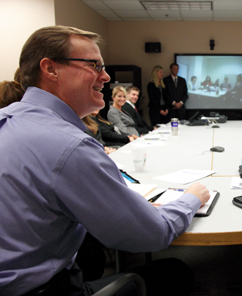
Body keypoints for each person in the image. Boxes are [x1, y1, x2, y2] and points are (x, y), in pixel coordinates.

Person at [0, 25, 210, 296]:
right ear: (50, 69)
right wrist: (192, 198)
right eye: (94, 65)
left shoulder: (9, 121)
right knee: (175, 273)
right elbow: (152, 234)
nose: (107, 76)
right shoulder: (69, 145)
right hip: (41, 289)